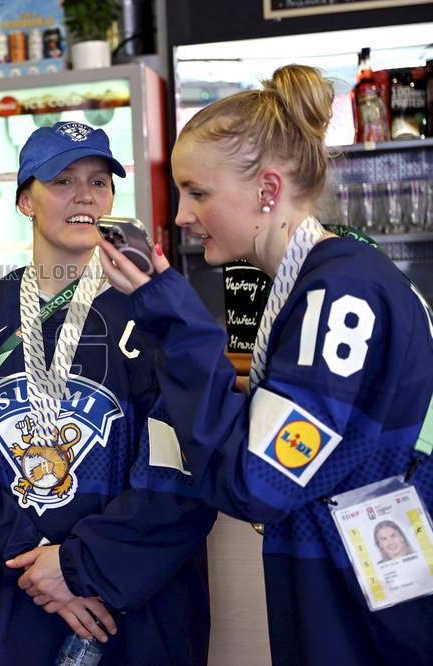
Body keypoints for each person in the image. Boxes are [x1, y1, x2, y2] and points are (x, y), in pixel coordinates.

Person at [98, 64, 433, 665]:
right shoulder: (324, 281)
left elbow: (259, 480)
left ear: (268, 191)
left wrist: (177, 322)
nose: (180, 215)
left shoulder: (340, 293)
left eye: (197, 192)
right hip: (357, 591)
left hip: (370, 612)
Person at [0, 120, 216, 665]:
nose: (85, 196)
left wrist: (83, 567)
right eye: (63, 181)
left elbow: (182, 469)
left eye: (100, 182)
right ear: (25, 200)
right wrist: (35, 563)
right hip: (16, 591)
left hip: (132, 601)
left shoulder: (156, 309)